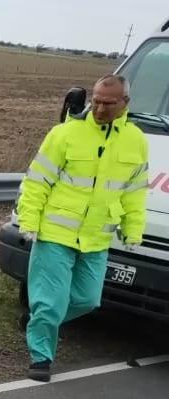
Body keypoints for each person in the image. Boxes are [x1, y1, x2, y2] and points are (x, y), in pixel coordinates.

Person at [16, 74, 149, 382]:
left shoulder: (136, 141)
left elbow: (135, 190)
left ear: (124, 104)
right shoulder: (65, 134)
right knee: (50, 302)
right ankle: (41, 358)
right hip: (54, 232)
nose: (100, 109)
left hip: (97, 236)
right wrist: (29, 220)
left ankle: (38, 320)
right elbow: (37, 182)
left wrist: (133, 228)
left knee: (88, 299)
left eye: (108, 104)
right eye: (96, 102)